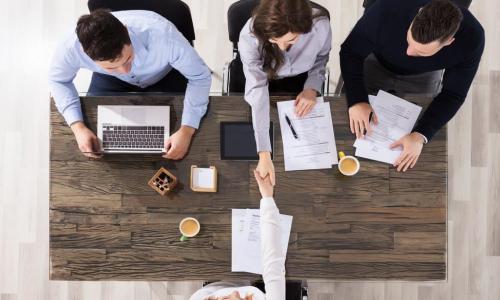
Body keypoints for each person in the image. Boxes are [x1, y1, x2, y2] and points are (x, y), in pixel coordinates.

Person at [340, 0, 484, 172]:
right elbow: (351, 52)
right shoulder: (385, 9)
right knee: (346, 125)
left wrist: (420, 135)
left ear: (448, 42)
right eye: (409, 40)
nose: (408, 52)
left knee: (415, 139)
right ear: (419, 13)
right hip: (375, 61)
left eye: (421, 52)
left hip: (423, 76)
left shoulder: (472, 38)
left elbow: (453, 94)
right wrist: (357, 101)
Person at [49, 9, 212, 160]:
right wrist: (78, 127)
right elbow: (58, 80)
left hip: (166, 74)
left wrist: (187, 129)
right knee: (98, 140)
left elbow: (200, 77)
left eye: (128, 58)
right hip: (110, 81)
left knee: (189, 144)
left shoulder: (163, 35)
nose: (125, 70)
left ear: (126, 31)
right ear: (85, 54)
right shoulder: (70, 48)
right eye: (112, 66)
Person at [239, 0, 332, 185]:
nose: (282, 48)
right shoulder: (249, 36)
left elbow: (321, 57)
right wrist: (264, 153)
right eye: (274, 40)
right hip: (265, 77)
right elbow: (257, 90)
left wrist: (312, 87)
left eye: (291, 40)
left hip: (302, 79)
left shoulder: (320, 25)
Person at [189, 170, 285, 300]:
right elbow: (273, 261)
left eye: (225, 299)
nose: (235, 293)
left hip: (216, 285)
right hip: (248, 281)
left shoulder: (198, 298)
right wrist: (267, 197)